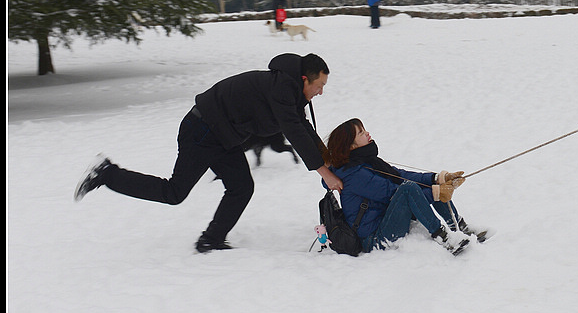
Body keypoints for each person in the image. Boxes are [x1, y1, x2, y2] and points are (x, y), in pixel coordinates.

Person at [74, 53, 344, 253]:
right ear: (304, 79)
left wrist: (328, 161)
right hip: (201, 130)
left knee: (241, 187)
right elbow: (294, 131)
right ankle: (106, 173)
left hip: (222, 136)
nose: (320, 93)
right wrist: (323, 172)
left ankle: (211, 239)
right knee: (174, 193)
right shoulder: (282, 87)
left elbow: (302, 126)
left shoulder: (290, 91)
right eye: (319, 86)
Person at [322, 118, 488, 254]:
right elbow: (394, 193)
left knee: (425, 185)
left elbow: (399, 176)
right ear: (351, 146)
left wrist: (437, 178)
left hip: (386, 219)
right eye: (361, 133)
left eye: (364, 129)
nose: (367, 133)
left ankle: (459, 227)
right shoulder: (354, 175)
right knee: (410, 189)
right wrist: (436, 193)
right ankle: (443, 238)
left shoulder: (366, 162)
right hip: (374, 239)